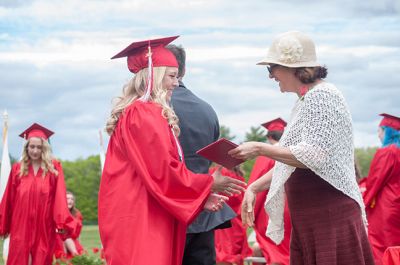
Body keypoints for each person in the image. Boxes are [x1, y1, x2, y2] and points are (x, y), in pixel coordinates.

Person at [229, 31, 375, 264]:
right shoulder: (305, 101)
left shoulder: (323, 96)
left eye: (272, 69)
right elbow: (291, 161)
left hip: (328, 214)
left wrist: (259, 148)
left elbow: (313, 156)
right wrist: (254, 187)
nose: (271, 76)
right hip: (312, 216)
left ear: (294, 68)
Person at [98, 36, 229, 265]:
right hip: (142, 214)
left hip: (141, 208)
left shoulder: (136, 111)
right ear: (153, 76)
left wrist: (200, 197)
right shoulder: (145, 114)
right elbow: (163, 171)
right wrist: (207, 184)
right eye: (171, 76)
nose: (176, 83)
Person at [167, 43, 246, 265]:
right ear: (183, 70)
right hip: (203, 210)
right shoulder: (206, 109)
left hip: (169, 211)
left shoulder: (154, 108)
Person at [0, 123, 76, 265]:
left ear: (44, 148)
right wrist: (3, 224)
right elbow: (8, 199)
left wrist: (60, 223)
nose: (35, 151)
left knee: (41, 259)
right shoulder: (17, 169)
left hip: (44, 225)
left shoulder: (53, 169)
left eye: (39, 147)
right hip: (20, 225)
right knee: (19, 259)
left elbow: (59, 198)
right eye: (32, 146)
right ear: (26, 147)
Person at [247, 118, 290, 265]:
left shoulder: (267, 156)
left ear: (269, 137)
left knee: (273, 253)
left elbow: (256, 188)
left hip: (271, 213)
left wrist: (251, 212)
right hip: (293, 212)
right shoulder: (292, 153)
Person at [363, 113, 400, 264]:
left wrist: (363, 202)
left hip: (385, 206)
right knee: (395, 245)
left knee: (381, 246)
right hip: (396, 204)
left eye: (380, 131)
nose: (378, 135)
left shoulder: (387, 152)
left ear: (388, 132)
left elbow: (376, 181)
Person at [210, 166, 252, 265]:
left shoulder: (217, 172)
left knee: (223, 257)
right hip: (236, 223)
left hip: (223, 223)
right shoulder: (239, 176)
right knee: (231, 256)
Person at [54, 191, 85, 260]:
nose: (70, 201)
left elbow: (77, 233)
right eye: (67, 199)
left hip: (71, 239)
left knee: (67, 235)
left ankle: (76, 256)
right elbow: (53, 229)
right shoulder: (56, 212)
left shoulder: (76, 214)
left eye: (72, 199)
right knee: (65, 233)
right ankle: (75, 256)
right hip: (56, 236)